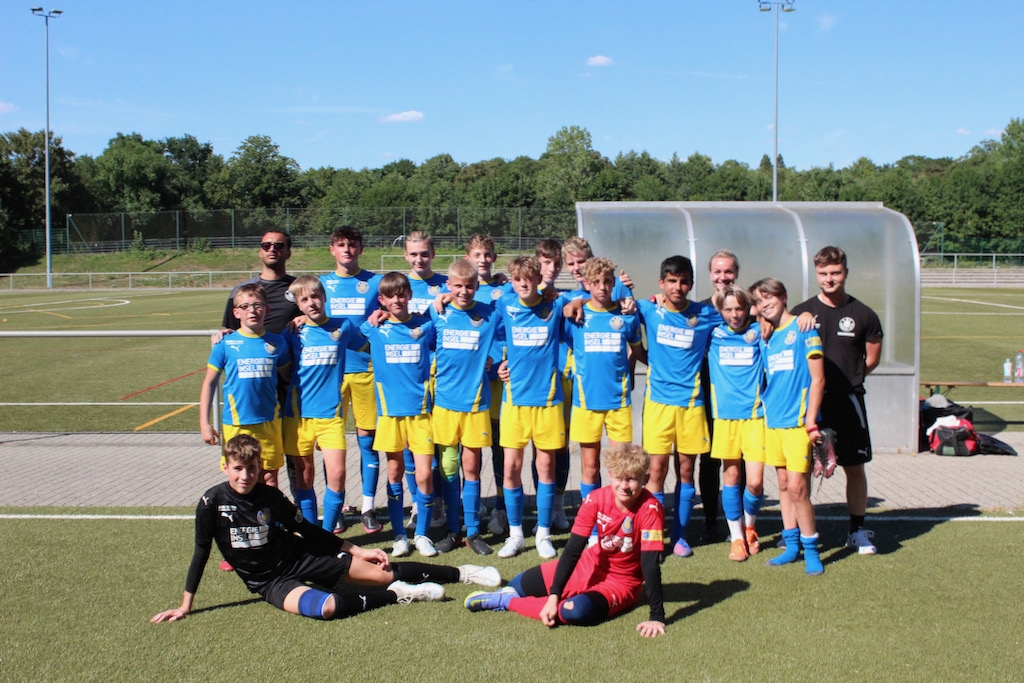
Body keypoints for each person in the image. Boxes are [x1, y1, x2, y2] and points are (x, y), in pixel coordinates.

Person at [151, 434, 502, 623]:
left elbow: (309, 531)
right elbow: (201, 551)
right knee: (328, 608)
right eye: (238, 469)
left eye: (252, 469)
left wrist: (358, 549)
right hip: (269, 582)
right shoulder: (211, 502)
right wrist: (185, 605)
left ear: (260, 468)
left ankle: (462, 573)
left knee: (382, 572)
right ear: (225, 467)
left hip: (300, 557)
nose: (245, 476)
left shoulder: (271, 497)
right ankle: (400, 594)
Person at [464, 443, 666, 638]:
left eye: (631, 479)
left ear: (645, 479)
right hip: (589, 564)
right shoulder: (595, 499)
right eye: (619, 478)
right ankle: (525, 597)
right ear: (610, 475)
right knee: (518, 584)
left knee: (572, 611)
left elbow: (650, 564)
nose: (624, 486)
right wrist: (554, 595)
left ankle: (507, 602)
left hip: (621, 582)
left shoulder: (651, 509)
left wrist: (656, 616)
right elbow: (573, 550)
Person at [792, 246, 883, 555]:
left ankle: (857, 531)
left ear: (845, 273)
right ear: (816, 274)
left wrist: (849, 379)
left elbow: (872, 359)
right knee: (801, 468)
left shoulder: (864, 314)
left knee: (854, 466)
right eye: (823, 273)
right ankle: (796, 533)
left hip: (848, 401)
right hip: (811, 404)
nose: (829, 279)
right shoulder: (801, 312)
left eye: (835, 273)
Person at [635, 255, 718, 558]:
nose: (677, 287)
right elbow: (613, 303)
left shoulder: (706, 314)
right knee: (656, 470)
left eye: (683, 281)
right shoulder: (649, 309)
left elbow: (742, 316)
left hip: (691, 405)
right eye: (671, 281)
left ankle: (680, 536)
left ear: (691, 284)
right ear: (661, 283)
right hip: (658, 404)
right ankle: (654, 536)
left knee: (686, 470)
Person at [562, 257, 642, 545]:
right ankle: (594, 529)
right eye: (595, 282)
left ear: (614, 282)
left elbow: (638, 351)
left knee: (623, 470)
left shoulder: (626, 315)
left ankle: (622, 525)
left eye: (607, 281)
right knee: (590, 468)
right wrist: (576, 303)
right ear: (586, 283)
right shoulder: (575, 316)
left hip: (619, 403)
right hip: (586, 404)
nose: (602, 287)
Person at [750, 278, 825, 576]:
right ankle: (791, 546)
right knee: (782, 485)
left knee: (797, 488)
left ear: (783, 297)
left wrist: (811, 420)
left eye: (769, 297)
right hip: (773, 422)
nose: (765, 304)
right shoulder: (765, 335)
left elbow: (818, 379)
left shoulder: (804, 328)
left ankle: (811, 550)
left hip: (798, 423)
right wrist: (760, 318)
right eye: (759, 301)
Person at [493, 256, 567, 559]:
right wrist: (498, 363)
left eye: (529, 279)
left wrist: (625, 295)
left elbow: (585, 300)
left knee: (546, 467)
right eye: (517, 279)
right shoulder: (505, 304)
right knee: (510, 467)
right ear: (511, 281)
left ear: (538, 279)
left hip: (547, 401)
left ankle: (543, 534)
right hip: (514, 401)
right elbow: (483, 322)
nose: (524, 284)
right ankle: (515, 535)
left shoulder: (556, 304)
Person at [359, 272, 438, 558]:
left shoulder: (425, 326)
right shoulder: (373, 328)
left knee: (425, 475)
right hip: (390, 415)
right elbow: (339, 328)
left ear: (409, 296)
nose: (397, 300)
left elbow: (447, 318)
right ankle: (400, 536)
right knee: (394, 472)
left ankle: (422, 534)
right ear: (381, 300)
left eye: (401, 295)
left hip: (420, 413)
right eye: (390, 296)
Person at [281, 275, 367, 530]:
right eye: (304, 299)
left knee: (337, 475)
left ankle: (327, 535)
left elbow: (369, 346)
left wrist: (380, 319)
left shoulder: (343, 327)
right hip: (298, 416)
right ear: (298, 305)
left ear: (325, 297)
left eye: (315, 296)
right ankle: (312, 536)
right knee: (304, 476)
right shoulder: (293, 332)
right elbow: (280, 363)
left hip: (331, 415)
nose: (311, 303)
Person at [430, 259, 502, 555]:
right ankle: (452, 530)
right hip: (445, 404)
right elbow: (416, 334)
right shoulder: (437, 312)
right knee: (448, 469)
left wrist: (497, 359)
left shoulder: (490, 314)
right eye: (457, 286)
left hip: (475, 404)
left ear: (477, 286)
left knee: (471, 468)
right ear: (448, 285)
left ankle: (473, 532)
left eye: (469, 286)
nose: (463, 291)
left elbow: (514, 327)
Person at [319, 226, 384, 534]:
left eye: (352, 244)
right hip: (330, 373)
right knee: (331, 443)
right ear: (332, 249)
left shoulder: (375, 282)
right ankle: (337, 507)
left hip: (365, 370)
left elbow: (395, 307)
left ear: (361, 248)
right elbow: (307, 312)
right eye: (341, 244)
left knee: (367, 440)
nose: (347, 249)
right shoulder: (322, 283)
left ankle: (369, 506)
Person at [200, 283, 289, 488]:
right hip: (236, 423)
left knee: (269, 479)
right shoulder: (225, 343)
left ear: (266, 309)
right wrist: (205, 423)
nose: (252, 311)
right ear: (236, 312)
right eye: (245, 306)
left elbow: (288, 376)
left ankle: (268, 512)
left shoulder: (277, 343)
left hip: (269, 422)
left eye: (258, 305)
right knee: (240, 479)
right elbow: (209, 383)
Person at [707, 285, 766, 561]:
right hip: (725, 418)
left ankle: (750, 526)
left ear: (748, 308)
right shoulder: (712, 333)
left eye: (739, 308)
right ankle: (737, 538)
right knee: (730, 477)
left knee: (754, 482)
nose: (734, 314)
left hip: (755, 417)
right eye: (728, 309)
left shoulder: (759, 332)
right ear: (720, 310)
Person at [695, 249, 742, 544]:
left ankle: (739, 523)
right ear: (710, 274)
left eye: (728, 271)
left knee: (737, 461)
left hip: (738, 398)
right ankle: (711, 522)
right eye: (718, 271)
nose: (723, 277)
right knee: (709, 460)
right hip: (706, 396)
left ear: (736, 273)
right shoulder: (699, 310)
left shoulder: (746, 309)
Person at [221, 230, 300, 335]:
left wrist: (306, 318)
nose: (272, 249)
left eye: (279, 246)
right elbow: (232, 330)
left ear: (288, 254)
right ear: (260, 253)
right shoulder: (241, 290)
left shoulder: (300, 288)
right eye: (266, 245)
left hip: (290, 346)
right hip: (254, 346)